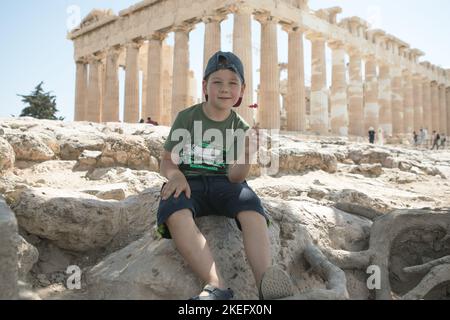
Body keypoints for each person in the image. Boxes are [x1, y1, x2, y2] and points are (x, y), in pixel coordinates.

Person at [156, 51, 294, 300]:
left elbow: (235, 177)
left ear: (241, 90)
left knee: (252, 207)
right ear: (205, 86)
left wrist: (248, 155)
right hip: (189, 182)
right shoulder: (187, 117)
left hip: (224, 183)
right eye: (217, 82)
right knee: (175, 211)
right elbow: (167, 160)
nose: (224, 89)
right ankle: (216, 286)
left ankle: (267, 283)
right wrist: (175, 175)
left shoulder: (240, 127)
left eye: (233, 83)